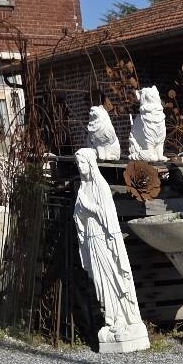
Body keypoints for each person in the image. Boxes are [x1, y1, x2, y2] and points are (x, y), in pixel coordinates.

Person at [73, 148, 149, 352]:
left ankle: (123, 319)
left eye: (82, 163)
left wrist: (88, 208)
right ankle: (111, 320)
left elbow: (106, 215)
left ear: (90, 164)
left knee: (113, 279)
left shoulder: (101, 187)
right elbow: (78, 216)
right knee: (99, 282)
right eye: (77, 164)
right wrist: (80, 212)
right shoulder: (82, 189)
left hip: (104, 240)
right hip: (91, 238)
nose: (80, 168)